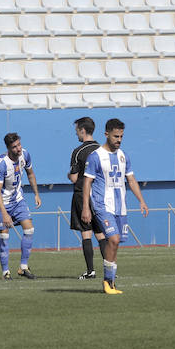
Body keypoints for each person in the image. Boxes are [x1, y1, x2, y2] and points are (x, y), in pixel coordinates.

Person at [81, 118, 148, 295]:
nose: (119, 139)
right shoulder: (96, 156)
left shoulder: (123, 156)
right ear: (106, 134)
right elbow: (87, 182)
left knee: (116, 244)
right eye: (116, 136)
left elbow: (131, 179)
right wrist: (86, 208)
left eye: (121, 136)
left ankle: (111, 283)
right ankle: (106, 281)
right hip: (102, 205)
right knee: (113, 239)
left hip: (120, 207)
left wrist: (141, 200)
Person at [0, 132, 41, 280]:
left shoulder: (25, 155)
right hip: (1, 201)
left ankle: (23, 267)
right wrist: (4, 213)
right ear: (8, 148)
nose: (18, 149)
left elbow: (30, 174)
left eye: (19, 144)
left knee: (29, 229)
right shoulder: (1, 164)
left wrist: (36, 193)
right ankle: (5, 272)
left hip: (18, 199)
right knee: (4, 235)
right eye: (14, 147)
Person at [68, 116, 106, 280]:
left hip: (82, 194)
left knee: (86, 233)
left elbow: (75, 178)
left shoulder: (78, 152)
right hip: (99, 195)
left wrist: (69, 174)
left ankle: (90, 271)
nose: (76, 133)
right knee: (101, 234)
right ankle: (110, 269)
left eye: (77, 130)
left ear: (83, 131)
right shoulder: (102, 150)